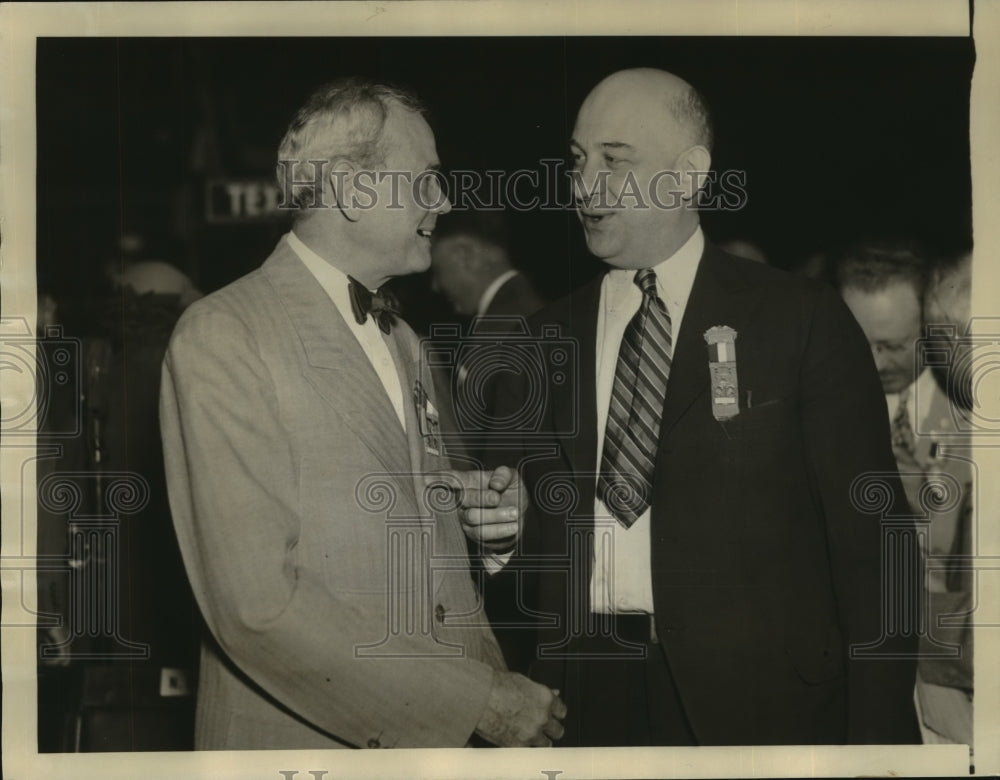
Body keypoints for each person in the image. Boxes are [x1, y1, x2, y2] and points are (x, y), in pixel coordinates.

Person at [470, 68, 920, 746]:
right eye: (576, 161)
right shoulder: (540, 340)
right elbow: (523, 544)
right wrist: (500, 531)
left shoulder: (800, 320)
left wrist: (882, 741)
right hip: (583, 700)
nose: (584, 185)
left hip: (764, 709)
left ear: (687, 175)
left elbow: (873, 551)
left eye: (614, 161)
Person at [160, 78, 564, 750]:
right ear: (352, 189)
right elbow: (258, 608)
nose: (445, 199)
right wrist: (479, 701)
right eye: (427, 179)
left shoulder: (405, 343)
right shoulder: (223, 335)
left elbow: (421, 558)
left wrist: (487, 533)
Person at [837, 244, 974, 746]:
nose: (875, 362)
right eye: (861, 341)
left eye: (894, 345)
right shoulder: (828, 408)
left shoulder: (974, 413)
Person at [430, 210, 544, 322]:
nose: (435, 286)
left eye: (437, 270)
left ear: (464, 253)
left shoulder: (500, 324)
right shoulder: (530, 305)